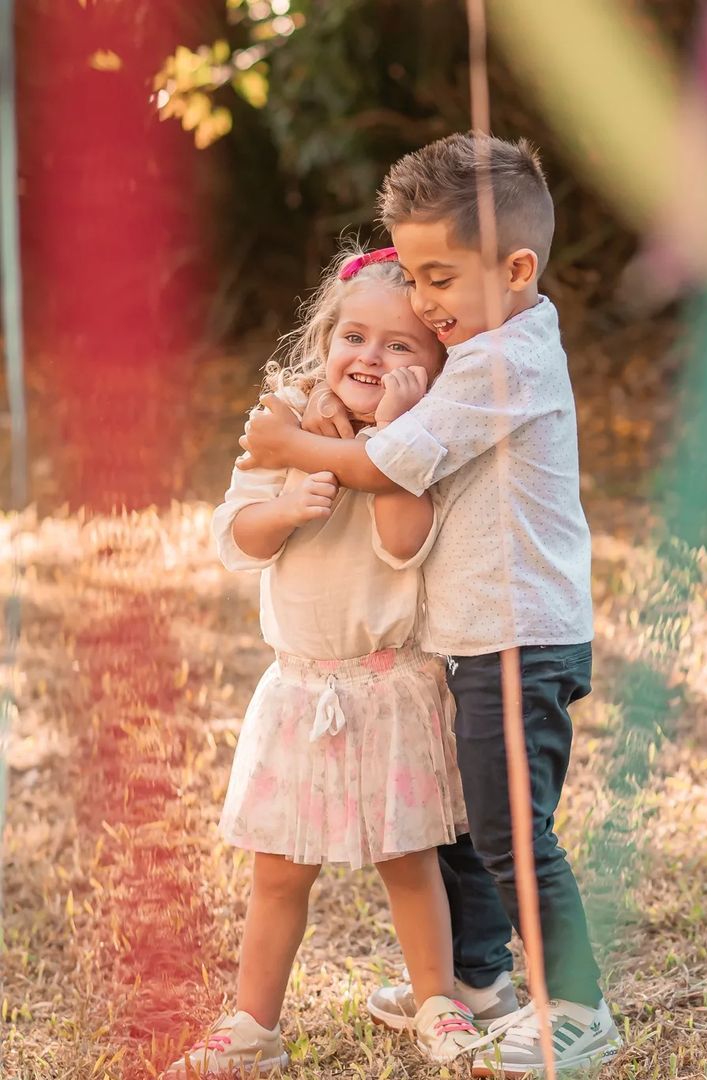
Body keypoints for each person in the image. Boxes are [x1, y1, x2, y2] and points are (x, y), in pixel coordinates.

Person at [240, 133, 621, 1078]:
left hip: (518, 639)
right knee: (462, 821)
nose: (421, 300)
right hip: (472, 638)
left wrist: (291, 448)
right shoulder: (482, 345)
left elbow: (387, 463)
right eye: (412, 276)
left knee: (509, 831)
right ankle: (479, 981)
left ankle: (579, 1009)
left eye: (438, 278)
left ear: (517, 269)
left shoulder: (504, 364)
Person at [164, 246, 482, 1077]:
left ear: (435, 366)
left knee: (408, 863)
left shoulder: (421, 442)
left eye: (400, 346)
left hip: (390, 684)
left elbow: (406, 545)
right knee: (278, 873)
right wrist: (285, 505)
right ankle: (253, 1025)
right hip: (300, 691)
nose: (371, 357)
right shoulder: (283, 420)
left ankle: (437, 1004)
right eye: (354, 336)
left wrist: (392, 440)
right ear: (324, 340)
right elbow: (235, 537)